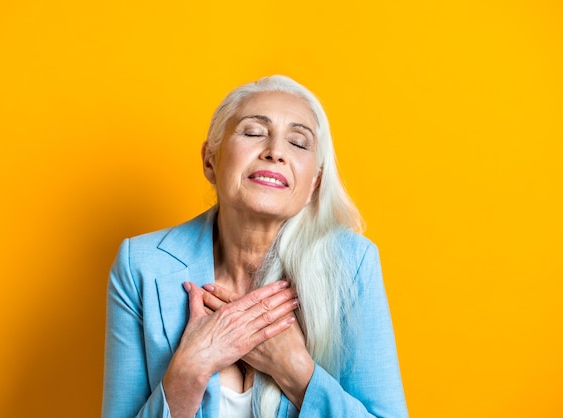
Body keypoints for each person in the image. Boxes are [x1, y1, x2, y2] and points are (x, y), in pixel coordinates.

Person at [102, 75, 408, 418]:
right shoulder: (140, 266)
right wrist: (189, 371)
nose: (275, 151)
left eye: (298, 142)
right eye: (252, 132)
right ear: (210, 160)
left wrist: (295, 372)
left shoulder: (352, 264)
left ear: (314, 184)